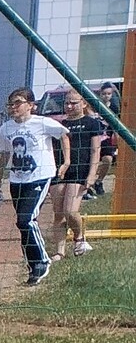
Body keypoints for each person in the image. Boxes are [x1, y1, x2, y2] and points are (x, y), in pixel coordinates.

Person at [0, 87, 68, 285]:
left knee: (27, 220)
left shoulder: (42, 123)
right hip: (17, 180)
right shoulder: (6, 128)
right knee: (22, 223)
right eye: (10, 104)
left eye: (18, 103)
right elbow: (5, 155)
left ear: (31, 105)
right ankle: (33, 266)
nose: (13, 107)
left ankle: (42, 261)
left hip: (40, 177)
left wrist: (66, 162)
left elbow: (63, 135)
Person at [52, 90, 102, 256]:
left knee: (70, 211)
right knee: (59, 213)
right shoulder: (60, 125)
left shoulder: (91, 123)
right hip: (60, 171)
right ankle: (59, 252)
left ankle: (79, 239)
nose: (69, 106)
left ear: (84, 103)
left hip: (80, 171)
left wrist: (92, 174)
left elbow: (95, 151)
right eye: (66, 103)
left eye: (73, 103)